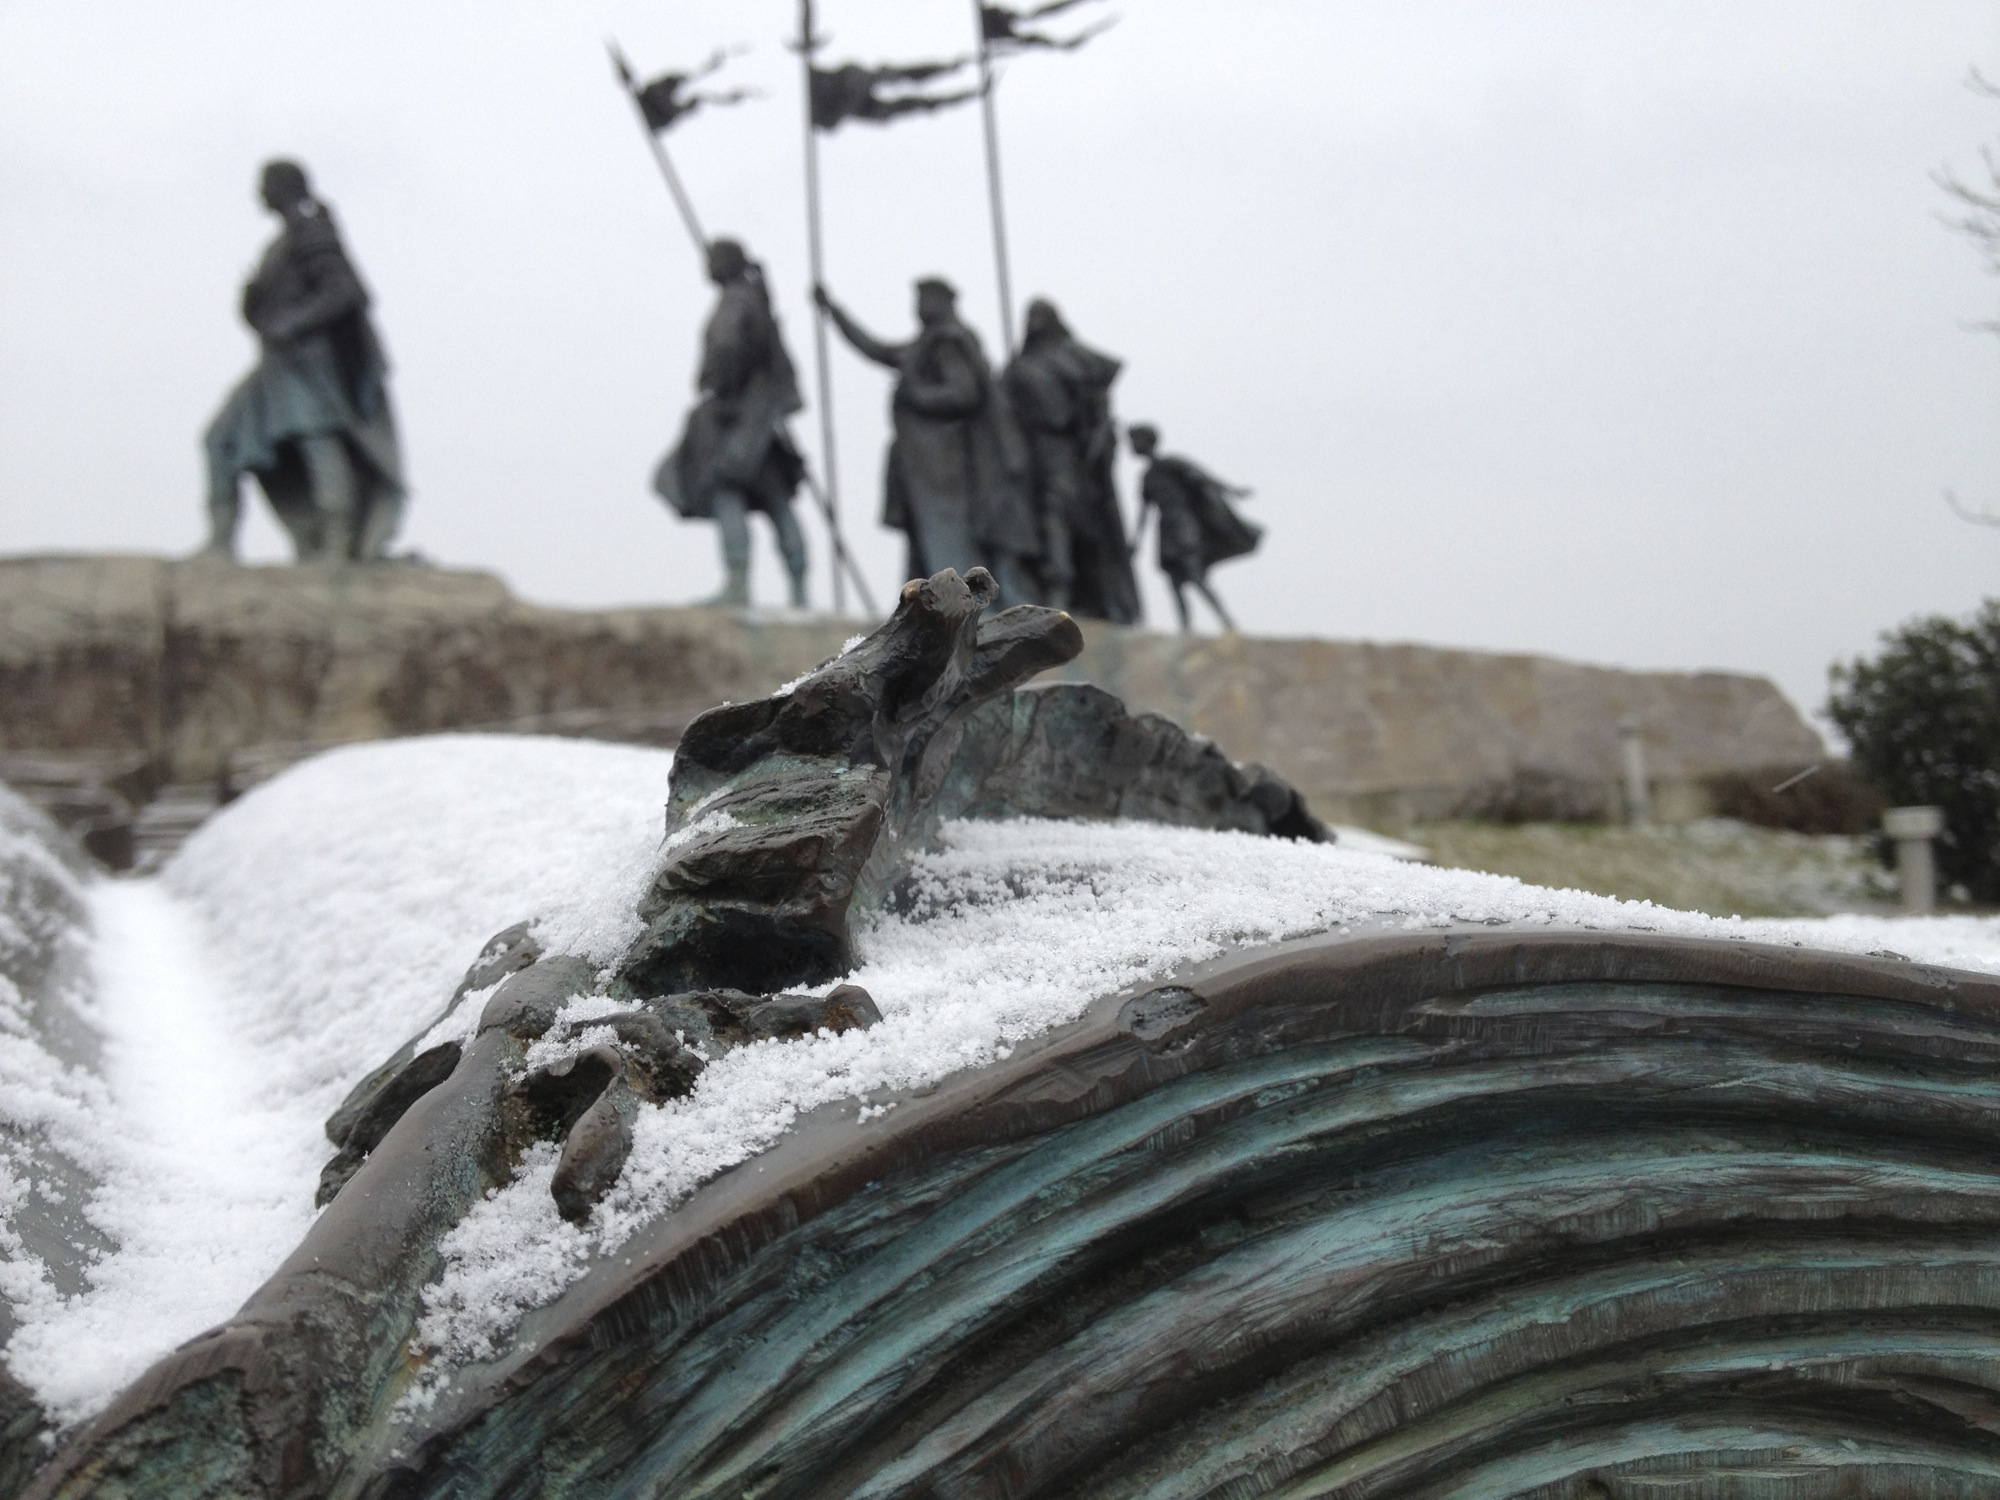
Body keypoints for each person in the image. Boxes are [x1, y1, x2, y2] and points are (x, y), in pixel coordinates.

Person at [201, 159, 405, 563]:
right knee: (221, 439)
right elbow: (272, 309)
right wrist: (253, 305)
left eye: (264, 185)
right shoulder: (283, 242)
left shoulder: (312, 229)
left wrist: (293, 324)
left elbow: (347, 291)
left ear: (282, 187)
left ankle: (336, 544)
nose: (259, 194)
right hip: (277, 364)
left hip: (308, 364)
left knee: (318, 440)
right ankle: (220, 543)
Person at [813, 277, 1038, 603]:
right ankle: (935, 611)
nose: (918, 307)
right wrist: (834, 311)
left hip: (945, 463)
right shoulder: (926, 342)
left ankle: (963, 611)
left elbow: (964, 393)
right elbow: (876, 349)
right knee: (927, 541)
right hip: (923, 463)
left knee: (947, 538)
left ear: (942, 303)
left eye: (924, 299)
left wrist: (914, 394)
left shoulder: (949, 340)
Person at [656, 239, 809, 607]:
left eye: (710, 260)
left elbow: (726, 346)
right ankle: (799, 591)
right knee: (775, 499)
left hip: (736, 417)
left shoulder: (737, 300)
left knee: (727, 490)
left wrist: (719, 387)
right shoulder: (756, 298)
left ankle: (737, 584)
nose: (706, 266)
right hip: (762, 420)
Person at [1002, 298, 1140, 622]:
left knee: (1069, 519)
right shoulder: (1019, 367)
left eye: (1040, 316)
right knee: (1039, 519)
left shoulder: (1070, 356)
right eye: (1030, 316)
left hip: (1068, 454)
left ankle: (1071, 591)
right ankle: (1048, 589)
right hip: (1027, 456)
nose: (1034, 322)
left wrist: (1096, 432)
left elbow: (1097, 389)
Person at [1128, 423, 1262, 632]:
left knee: (1194, 574)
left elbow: (1202, 478)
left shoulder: (1171, 464)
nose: (1132, 446)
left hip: (1183, 524)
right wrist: (1136, 541)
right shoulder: (1147, 477)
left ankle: (1227, 623)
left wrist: (1232, 491)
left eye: (1135, 441)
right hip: (1165, 528)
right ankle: (1186, 628)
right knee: (1174, 582)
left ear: (1147, 442)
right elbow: (1144, 512)